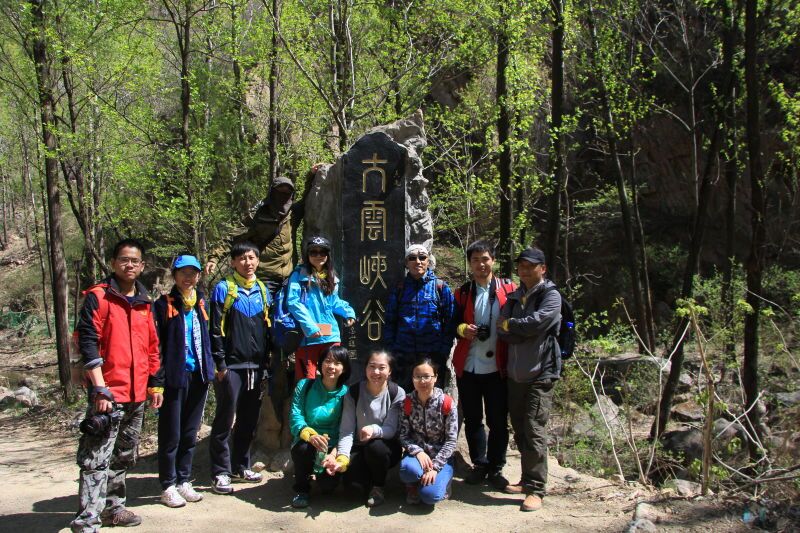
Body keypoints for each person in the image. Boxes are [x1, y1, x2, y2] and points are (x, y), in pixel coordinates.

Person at [70, 239, 162, 532]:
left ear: (142, 266)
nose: (129, 265)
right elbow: (87, 341)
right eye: (124, 259)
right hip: (108, 392)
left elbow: (152, 347)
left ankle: (114, 509)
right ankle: (87, 520)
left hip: (137, 393)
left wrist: (155, 384)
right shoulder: (99, 297)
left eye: (135, 261)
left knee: (123, 455)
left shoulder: (145, 302)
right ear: (113, 263)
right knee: (96, 458)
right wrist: (99, 388)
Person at [496, 247, 562, 512]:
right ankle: (526, 479)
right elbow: (502, 329)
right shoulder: (513, 297)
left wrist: (514, 326)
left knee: (534, 429)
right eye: (521, 266)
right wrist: (517, 328)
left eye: (530, 265)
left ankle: (536, 488)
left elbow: (537, 323)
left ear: (542, 268)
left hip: (541, 373)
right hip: (516, 374)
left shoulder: (551, 295)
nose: (524, 270)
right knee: (521, 428)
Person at [208, 241, 271, 494]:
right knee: (225, 419)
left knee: (248, 419)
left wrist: (266, 362)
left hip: (256, 365)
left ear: (258, 261)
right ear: (233, 262)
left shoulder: (262, 290)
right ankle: (220, 472)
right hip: (231, 365)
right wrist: (220, 362)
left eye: (252, 257)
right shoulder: (224, 289)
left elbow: (266, 328)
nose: (248, 262)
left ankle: (240, 466)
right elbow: (215, 329)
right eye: (242, 258)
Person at [152, 255, 215, 507]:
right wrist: (157, 380)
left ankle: (183, 480)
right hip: (174, 377)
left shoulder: (201, 302)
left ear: (199, 275)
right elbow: (156, 345)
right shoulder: (163, 304)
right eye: (183, 272)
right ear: (174, 275)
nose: (188, 277)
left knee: (190, 432)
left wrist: (211, 368)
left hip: (198, 375)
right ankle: (167, 484)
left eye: (193, 273)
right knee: (171, 433)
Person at [453, 240, 516, 490]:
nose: (481, 264)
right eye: (476, 260)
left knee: (498, 421)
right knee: (473, 419)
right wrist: (462, 329)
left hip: (497, 367)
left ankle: (496, 467)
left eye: (485, 259)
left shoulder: (508, 290)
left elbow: (520, 322)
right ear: (470, 263)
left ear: (494, 261)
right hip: (468, 366)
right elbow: (450, 323)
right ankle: (480, 464)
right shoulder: (462, 293)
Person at [332, 350, 406, 507]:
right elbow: (347, 430)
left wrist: (373, 430)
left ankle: (378, 486)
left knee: (375, 447)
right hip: (359, 447)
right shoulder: (353, 392)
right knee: (353, 492)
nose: (376, 372)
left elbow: (391, 429)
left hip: (385, 447)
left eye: (382, 367)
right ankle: (368, 477)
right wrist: (343, 457)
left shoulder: (397, 393)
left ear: (390, 371)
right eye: (372, 366)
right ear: (365, 368)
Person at [205, 176, 295, 295]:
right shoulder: (258, 215)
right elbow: (232, 238)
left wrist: (312, 174)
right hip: (265, 278)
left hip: (288, 279)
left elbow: (309, 199)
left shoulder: (293, 213)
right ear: (272, 192)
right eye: (280, 191)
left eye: (287, 192)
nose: (283, 196)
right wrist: (214, 258)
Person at [383, 245, 456, 392]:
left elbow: (450, 321)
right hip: (403, 357)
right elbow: (390, 321)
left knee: (431, 399)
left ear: (428, 261)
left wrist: (443, 351)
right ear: (406, 263)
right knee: (403, 399)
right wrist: (392, 350)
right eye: (412, 258)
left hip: (432, 356)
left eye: (422, 257)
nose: (418, 261)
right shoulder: (400, 288)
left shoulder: (440, 287)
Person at [288, 345, 351, 508]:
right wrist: (309, 434)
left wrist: (335, 453)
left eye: (337, 363)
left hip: (332, 447)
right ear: (320, 363)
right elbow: (295, 415)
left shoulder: (347, 394)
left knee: (328, 487)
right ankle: (302, 489)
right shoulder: (305, 385)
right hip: (307, 441)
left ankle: (320, 473)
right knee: (302, 449)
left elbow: (346, 428)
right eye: (327, 361)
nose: (331, 366)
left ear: (344, 368)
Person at [286, 235, 356, 380]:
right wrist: (310, 326)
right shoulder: (298, 275)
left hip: (331, 335)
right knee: (306, 381)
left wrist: (348, 312)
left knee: (332, 378)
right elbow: (293, 302)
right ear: (307, 255)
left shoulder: (331, 276)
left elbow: (334, 302)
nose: (318, 256)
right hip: (308, 337)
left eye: (322, 252)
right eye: (314, 252)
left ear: (328, 255)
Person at [398, 358, 458, 506]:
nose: (422, 381)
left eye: (427, 376)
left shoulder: (446, 403)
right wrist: (418, 452)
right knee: (407, 470)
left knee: (430, 496)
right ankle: (413, 485)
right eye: (418, 377)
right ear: (412, 378)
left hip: (441, 457)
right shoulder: (407, 403)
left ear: (435, 377)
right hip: (417, 456)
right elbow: (403, 435)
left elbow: (451, 441)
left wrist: (435, 467)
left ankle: (442, 481)